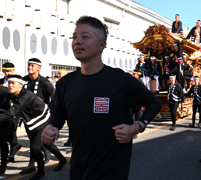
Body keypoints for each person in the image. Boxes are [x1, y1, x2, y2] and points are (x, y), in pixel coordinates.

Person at [41, 16, 162, 180]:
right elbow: (58, 115)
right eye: (74, 37)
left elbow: (154, 103)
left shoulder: (121, 80)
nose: (77, 41)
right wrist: (51, 127)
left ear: (101, 45)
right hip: (78, 168)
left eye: (85, 37)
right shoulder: (65, 84)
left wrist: (137, 126)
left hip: (112, 170)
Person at [0, 75, 66, 179]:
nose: (10, 85)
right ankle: (62, 159)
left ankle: (40, 171)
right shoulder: (13, 93)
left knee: (35, 147)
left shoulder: (26, 95)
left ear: (21, 85)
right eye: (9, 83)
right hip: (31, 122)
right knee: (47, 144)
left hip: (44, 120)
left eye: (13, 83)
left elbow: (12, 112)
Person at [22, 58, 56, 174]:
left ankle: (32, 165)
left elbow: (55, 98)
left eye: (32, 66)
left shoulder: (45, 83)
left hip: (42, 118)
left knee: (34, 143)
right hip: (28, 117)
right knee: (34, 140)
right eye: (29, 65)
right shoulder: (24, 81)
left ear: (39, 68)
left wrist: (49, 112)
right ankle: (52, 154)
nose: (30, 67)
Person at [0, 62, 23, 164]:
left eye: (10, 71)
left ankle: (12, 155)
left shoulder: (17, 81)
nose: (9, 73)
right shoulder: (0, 82)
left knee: (12, 132)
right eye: (6, 71)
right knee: (4, 136)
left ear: (13, 71)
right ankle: (15, 146)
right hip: (3, 112)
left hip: (14, 111)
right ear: (3, 71)